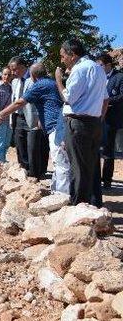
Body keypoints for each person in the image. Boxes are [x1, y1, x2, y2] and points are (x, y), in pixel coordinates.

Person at [0, 63, 68, 190]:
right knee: (60, 162)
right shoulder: (50, 83)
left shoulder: (40, 85)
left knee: (60, 163)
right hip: (59, 125)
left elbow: (19, 102)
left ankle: (62, 195)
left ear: (33, 76)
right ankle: (57, 191)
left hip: (55, 127)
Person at [54, 39, 109, 207]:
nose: (62, 60)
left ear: (73, 55)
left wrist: (58, 80)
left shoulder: (79, 69)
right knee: (90, 167)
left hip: (78, 124)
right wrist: (99, 118)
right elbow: (105, 99)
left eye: (63, 56)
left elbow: (68, 98)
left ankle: (78, 208)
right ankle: (92, 205)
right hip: (94, 123)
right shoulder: (99, 69)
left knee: (78, 169)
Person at [96, 53, 123, 189]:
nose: (98, 68)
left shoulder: (119, 77)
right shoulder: (96, 77)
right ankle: (95, 178)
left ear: (108, 65)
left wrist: (106, 101)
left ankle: (106, 180)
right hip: (94, 117)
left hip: (110, 119)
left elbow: (121, 96)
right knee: (94, 148)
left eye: (100, 65)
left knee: (108, 149)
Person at [9, 56, 31, 171]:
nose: (12, 73)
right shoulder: (14, 82)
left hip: (31, 118)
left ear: (23, 67)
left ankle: (34, 171)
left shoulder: (32, 79)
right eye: (11, 70)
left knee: (32, 145)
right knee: (19, 145)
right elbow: (14, 100)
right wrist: (11, 119)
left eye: (15, 69)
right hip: (17, 117)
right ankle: (23, 170)